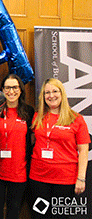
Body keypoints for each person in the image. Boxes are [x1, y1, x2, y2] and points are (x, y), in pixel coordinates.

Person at [29, 78, 90, 218]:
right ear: (43, 97)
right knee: (39, 216)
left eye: (55, 91)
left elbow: (83, 150)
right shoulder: (37, 117)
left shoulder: (76, 119)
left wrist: (81, 178)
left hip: (65, 180)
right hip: (39, 178)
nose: (51, 95)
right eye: (47, 92)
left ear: (62, 94)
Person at [0, 74, 34, 219]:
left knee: (14, 209)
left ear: (20, 90)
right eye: (7, 88)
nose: (11, 91)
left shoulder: (29, 111)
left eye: (15, 87)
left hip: (20, 171)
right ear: (2, 90)